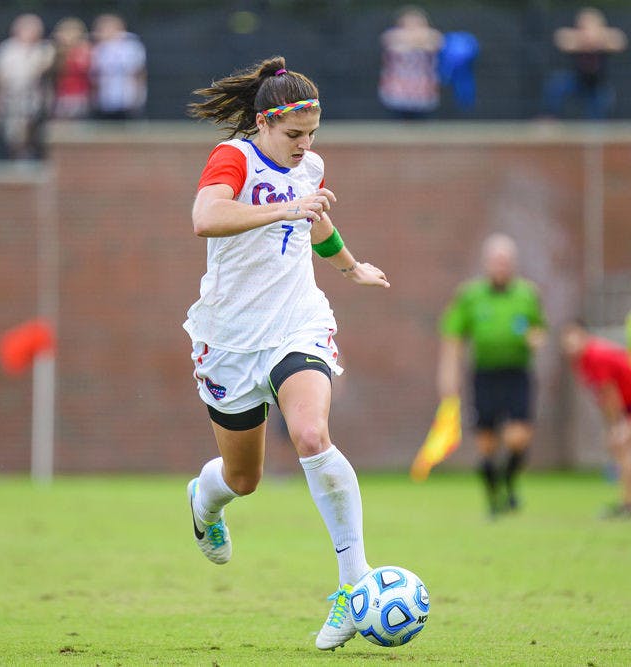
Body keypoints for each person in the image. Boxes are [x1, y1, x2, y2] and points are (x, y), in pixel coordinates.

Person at [184, 57, 390, 651]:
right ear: (263, 123)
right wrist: (286, 207)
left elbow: (314, 225)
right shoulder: (234, 157)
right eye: (294, 135)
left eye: (313, 134)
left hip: (297, 323)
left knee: (310, 435)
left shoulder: (311, 166)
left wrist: (351, 268)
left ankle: (355, 590)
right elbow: (205, 218)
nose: (305, 147)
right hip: (228, 338)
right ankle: (204, 500)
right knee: (242, 479)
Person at [437, 233, 546, 517]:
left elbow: (539, 328)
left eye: (506, 261)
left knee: (517, 438)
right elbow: (454, 337)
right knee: (486, 443)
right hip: (484, 375)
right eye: (496, 260)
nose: (501, 266)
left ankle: (509, 481)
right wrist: (449, 375)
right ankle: (494, 500)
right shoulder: (470, 295)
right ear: (487, 263)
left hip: (517, 373)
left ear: (513, 264)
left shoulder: (527, 293)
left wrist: (536, 337)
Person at [561, 321, 631, 518]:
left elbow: (610, 393)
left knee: (622, 445)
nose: (570, 344)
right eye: (566, 340)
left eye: (574, 337)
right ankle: (627, 502)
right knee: (621, 449)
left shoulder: (596, 355)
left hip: (627, 407)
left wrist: (617, 424)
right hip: (625, 407)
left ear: (584, 335)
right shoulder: (581, 360)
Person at [0, 13, 54, 159]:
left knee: (32, 135)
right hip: (10, 100)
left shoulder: (45, 49)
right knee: (13, 137)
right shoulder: (6, 49)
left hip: (36, 100)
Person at [542, 7, 627, 120]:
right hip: (575, 85)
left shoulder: (607, 91)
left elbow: (620, 41)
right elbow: (561, 39)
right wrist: (585, 41)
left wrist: (595, 40)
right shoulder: (560, 85)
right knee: (556, 86)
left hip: (597, 88)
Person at [378, 5, 444, 119]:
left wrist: (410, 43)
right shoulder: (392, 34)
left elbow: (436, 42)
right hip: (399, 86)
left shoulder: (433, 35)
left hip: (423, 86)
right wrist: (418, 42)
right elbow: (391, 42)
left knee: (422, 120)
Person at [89, 13, 147, 120]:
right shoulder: (98, 48)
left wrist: (138, 96)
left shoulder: (131, 46)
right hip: (106, 99)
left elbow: (138, 72)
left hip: (127, 97)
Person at [49, 17, 92, 119]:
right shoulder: (56, 52)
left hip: (80, 96)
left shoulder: (84, 51)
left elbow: (85, 68)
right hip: (61, 96)